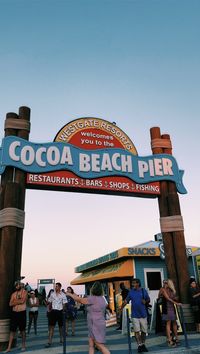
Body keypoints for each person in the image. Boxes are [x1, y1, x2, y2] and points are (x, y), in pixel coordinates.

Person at [66, 281, 110, 354]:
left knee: (99, 345)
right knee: (91, 345)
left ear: (93, 289)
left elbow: (80, 300)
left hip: (95, 324)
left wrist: (70, 294)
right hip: (97, 323)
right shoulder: (102, 299)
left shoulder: (93, 298)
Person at [121, 278, 150, 353]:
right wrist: (121, 307)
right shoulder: (131, 292)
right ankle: (139, 345)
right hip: (134, 315)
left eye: (134, 283)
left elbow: (148, 299)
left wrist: (145, 301)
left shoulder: (143, 291)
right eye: (132, 283)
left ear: (138, 283)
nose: (132, 284)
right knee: (137, 331)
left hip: (143, 314)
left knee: (144, 331)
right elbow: (126, 300)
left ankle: (143, 344)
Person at [4, 281, 28, 352]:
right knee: (12, 330)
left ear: (20, 285)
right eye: (15, 286)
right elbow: (10, 304)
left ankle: (23, 345)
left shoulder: (24, 292)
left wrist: (15, 301)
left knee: (22, 330)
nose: (16, 287)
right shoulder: (13, 294)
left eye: (17, 285)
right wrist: (18, 301)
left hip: (22, 313)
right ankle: (9, 348)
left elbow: (22, 301)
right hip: (14, 313)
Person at [45, 282, 68, 347]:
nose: (56, 287)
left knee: (60, 327)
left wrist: (63, 311)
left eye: (57, 286)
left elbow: (64, 304)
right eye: (55, 286)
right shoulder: (52, 294)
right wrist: (46, 302)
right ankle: (49, 341)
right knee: (51, 327)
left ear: (60, 287)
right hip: (53, 311)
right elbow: (48, 302)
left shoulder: (63, 294)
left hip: (60, 312)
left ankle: (61, 339)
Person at [160, 278, 182, 347]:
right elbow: (168, 298)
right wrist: (176, 303)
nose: (165, 284)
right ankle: (169, 339)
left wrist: (176, 299)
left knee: (174, 322)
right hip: (166, 307)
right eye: (164, 283)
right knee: (168, 322)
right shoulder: (163, 289)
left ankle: (176, 337)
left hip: (172, 307)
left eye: (166, 283)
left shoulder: (171, 290)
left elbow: (173, 297)